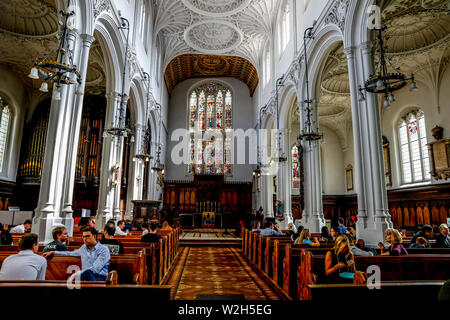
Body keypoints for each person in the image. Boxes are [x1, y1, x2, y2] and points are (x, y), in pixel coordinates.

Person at [43, 227, 110, 281]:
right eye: (83, 237)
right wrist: (53, 252)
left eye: (87, 236)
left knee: (87, 274)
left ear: (94, 236)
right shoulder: (83, 248)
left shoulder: (104, 249)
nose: (84, 239)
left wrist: (77, 273)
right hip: (84, 277)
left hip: (100, 278)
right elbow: (69, 253)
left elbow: (95, 269)